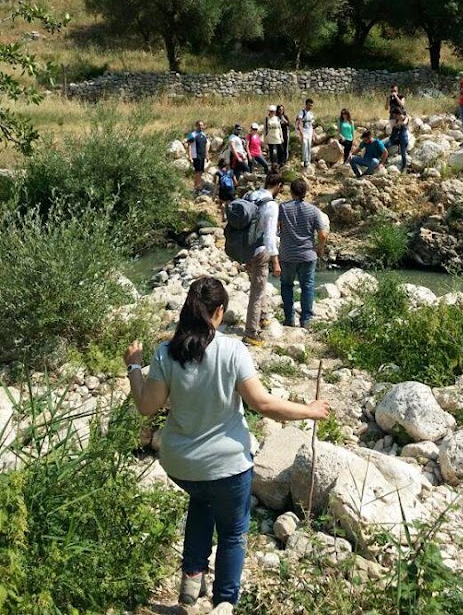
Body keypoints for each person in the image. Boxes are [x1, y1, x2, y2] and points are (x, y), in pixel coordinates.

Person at [124, 277, 330, 613]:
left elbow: (147, 405)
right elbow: (262, 404)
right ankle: (223, 604)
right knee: (233, 534)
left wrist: (134, 365)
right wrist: (309, 410)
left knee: (202, 502)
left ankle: (190, 589)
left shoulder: (165, 353)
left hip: (181, 465)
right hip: (227, 465)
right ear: (219, 312)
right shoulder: (233, 350)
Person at [278, 178, 329, 329]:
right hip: (307, 255)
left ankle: (289, 318)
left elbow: (276, 227)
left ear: (291, 191)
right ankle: (306, 319)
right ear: (305, 192)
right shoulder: (313, 210)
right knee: (307, 286)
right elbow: (323, 234)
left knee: (287, 285)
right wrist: (319, 248)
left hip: (288, 255)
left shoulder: (283, 208)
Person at [244, 172, 284, 346]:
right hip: (260, 250)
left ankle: (263, 316)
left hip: (245, 248)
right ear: (279, 186)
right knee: (257, 291)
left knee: (258, 282)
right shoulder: (271, 205)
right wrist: (275, 261)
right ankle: (251, 333)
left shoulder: (251, 195)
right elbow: (269, 235)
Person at [187, 120, 210, 194]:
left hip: (202, 156)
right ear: (196, 126)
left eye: (202, 125)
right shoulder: (193, 135)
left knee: (200, 172)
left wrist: (207, 155)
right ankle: (197, 188)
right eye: (199, 125)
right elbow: (189, 145)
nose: (201, 127)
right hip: (196, 156)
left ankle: (199, 187)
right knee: (197, 172)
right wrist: (190, 156)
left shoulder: (203, 135)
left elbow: (206, 145)